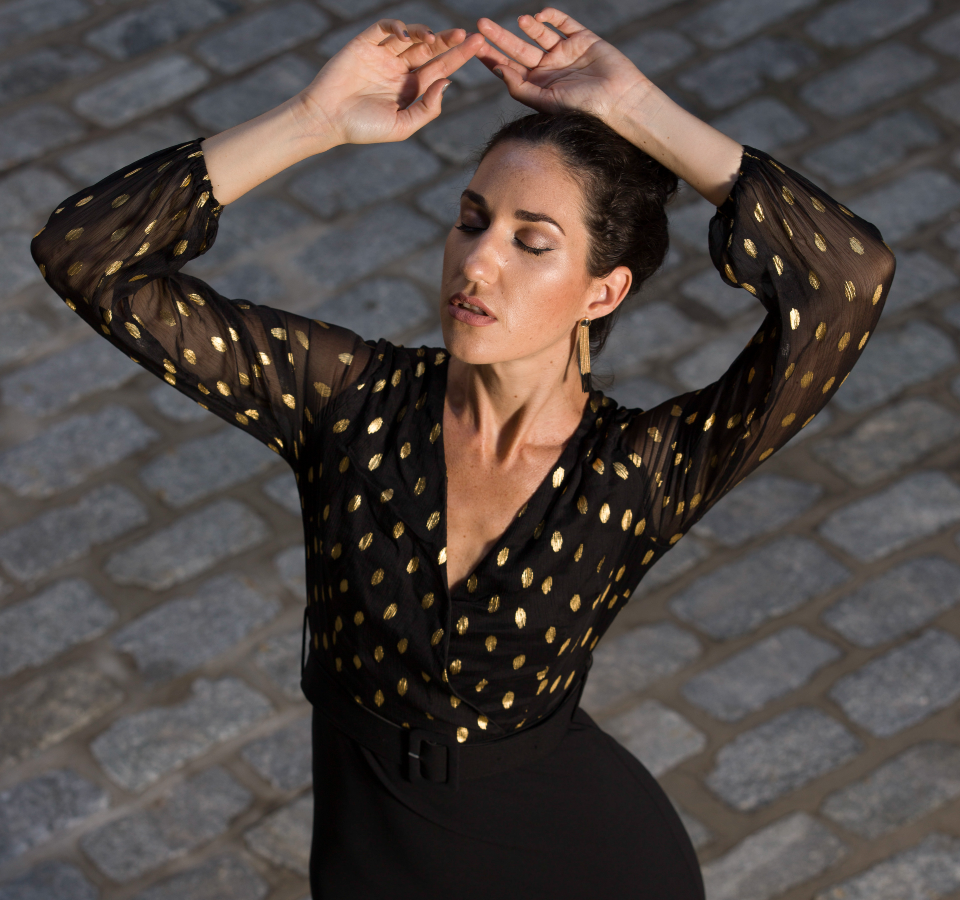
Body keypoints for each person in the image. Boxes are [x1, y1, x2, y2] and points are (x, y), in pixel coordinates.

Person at [30, 7, 895, 898]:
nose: (477, 263)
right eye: (471, 221)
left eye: (532, 242)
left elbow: (846, 279)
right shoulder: (346, 403)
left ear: (603, 293)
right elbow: (87, 255)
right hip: (374, 858)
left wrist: (635, 107)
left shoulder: (642, 472)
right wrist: (313, 119)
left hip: (581, 864)